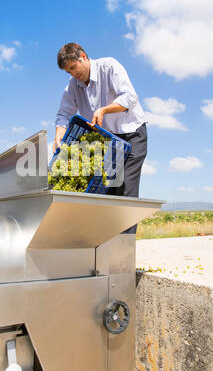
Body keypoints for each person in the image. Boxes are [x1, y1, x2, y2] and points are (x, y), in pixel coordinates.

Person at [53, 42, 147, 234]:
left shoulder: (109, 66)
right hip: (108, 141)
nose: (72, 74)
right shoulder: (73, 86)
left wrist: (104, 109)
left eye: (73, 67)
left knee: (125, 193)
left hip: (131, 135)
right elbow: (63, 114)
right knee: (107, 192)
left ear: (84, 57)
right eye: (68, 72)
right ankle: (106, 250)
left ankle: (122, 255)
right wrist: (58, 134)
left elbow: (130, 97)